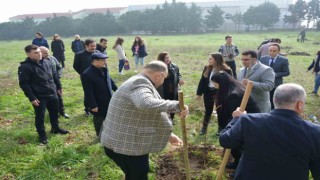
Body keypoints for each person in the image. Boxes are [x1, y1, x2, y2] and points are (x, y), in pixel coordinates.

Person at [100, 61, 189, 180]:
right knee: (139, 175)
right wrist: (177, 105)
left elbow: (145, 114)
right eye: (164, 78)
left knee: (134, 174)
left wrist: (169, 135)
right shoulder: (139, 83)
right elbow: (146, 104)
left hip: (123, 142)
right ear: (159, 75)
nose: (163, 82)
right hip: (126, 147)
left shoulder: (140, 81)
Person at [219, 83, 320, 180]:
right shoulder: (315, 132)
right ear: (300, 104)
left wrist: (236, 119)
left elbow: (225, 141)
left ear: (273, 100)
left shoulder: (248, 121)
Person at [211, 71, 260, 176]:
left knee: (237, 147)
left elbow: (234, 116)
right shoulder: (232, 89)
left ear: (222, 83)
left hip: (245, 124)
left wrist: (229, 128)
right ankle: (236, 163)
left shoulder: (234, 95)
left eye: (216, 84)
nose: (215, 87)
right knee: (235, 148)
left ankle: (240, 169)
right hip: (243, 121)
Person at [18, 45, 69, 145]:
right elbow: (24, 84)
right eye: (35, 53)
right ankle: (42, 135)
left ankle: (55, 128)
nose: (39, 54)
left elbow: (54, 75)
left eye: (39, 52)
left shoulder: (47, 62)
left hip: (52, 92)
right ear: (28, 54)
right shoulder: (25, 67)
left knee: (54, 112)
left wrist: (59, 87)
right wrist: (32, 97)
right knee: (40, 116)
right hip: (39, 97)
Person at [81, 52, 117, 137]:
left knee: (108, 116)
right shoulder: (87, 74)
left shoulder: (104, 69)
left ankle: (108, 132)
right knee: (99, 118)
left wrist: (117, 90)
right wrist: (93, 105)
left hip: (108, 98)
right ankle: (100, 135)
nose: (105, 62)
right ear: (95, 61)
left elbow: (109, 81)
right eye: (102, 60)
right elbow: (88, 91)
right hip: (98, 101)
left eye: (105, 60)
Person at [196, 53, 232, 135]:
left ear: (216, 60)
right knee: (208, 110)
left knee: (220, 110)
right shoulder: (207, 68)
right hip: (208, 91)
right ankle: (204, 128)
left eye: (210, 59)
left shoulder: (226, 69)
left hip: (220, 92)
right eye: (209, 59)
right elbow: (202, 81)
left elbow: (230, 83)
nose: (209, 61)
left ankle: (221, 128)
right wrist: (199, 93)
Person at [39, 46, 69, 119]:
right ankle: (52, 113)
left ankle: (62, 112)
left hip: (55, 81)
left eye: (48, 53)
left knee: (59, 97)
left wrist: (58, 76)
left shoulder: (52, 59)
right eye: (45, 53)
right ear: (40, 53)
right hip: (44, 85)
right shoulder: (37, 62)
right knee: (49, 100)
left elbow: (59, 67)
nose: (47, 55)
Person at [157, 52, 185, 124]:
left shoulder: (174, 66)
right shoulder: (157, 68)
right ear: (161, 59)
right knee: (164, 104)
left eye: (168, 57)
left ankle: (171, 118)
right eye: (165, 58)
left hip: (173, 89)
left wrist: (179, 80)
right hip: (162, 90)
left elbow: (178, 75)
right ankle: (164, 119)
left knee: (173, 103)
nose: (168, 59)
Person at [260, 43, 290, 109]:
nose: (272, 52)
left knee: (274, 100)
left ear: (278, 51)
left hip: (276, 84)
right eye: (270, 50)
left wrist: (275, 74)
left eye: (274, 51)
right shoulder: (262, 59)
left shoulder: (284, 60)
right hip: (264, 83)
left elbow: (287, 72)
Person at [73, 38, 98, 116]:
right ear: (86, 46)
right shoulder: (79, 55)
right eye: (91, 46)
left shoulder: (97, 53)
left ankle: (96, 106)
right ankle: (87, 109)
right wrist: (83, 74)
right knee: (88, 93)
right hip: (86, 78)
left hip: (97, 77)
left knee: (97, 92)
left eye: (94, 46)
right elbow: (75, 66)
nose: (93, 47)